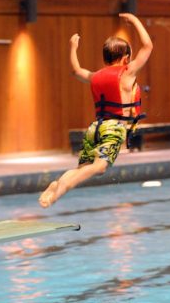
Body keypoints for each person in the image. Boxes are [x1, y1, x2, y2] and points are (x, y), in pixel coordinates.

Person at [39, 13, 153, 208]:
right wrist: (134, 21)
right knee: (99, 167)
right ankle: (56, 194)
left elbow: (76, 70)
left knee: (82, 168)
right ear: (126, 58)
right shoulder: (127, 73)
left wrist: (72, 48)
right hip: (114, 128)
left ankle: (58, 186)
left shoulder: (94, 76)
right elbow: (148, 46)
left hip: (94, 129)